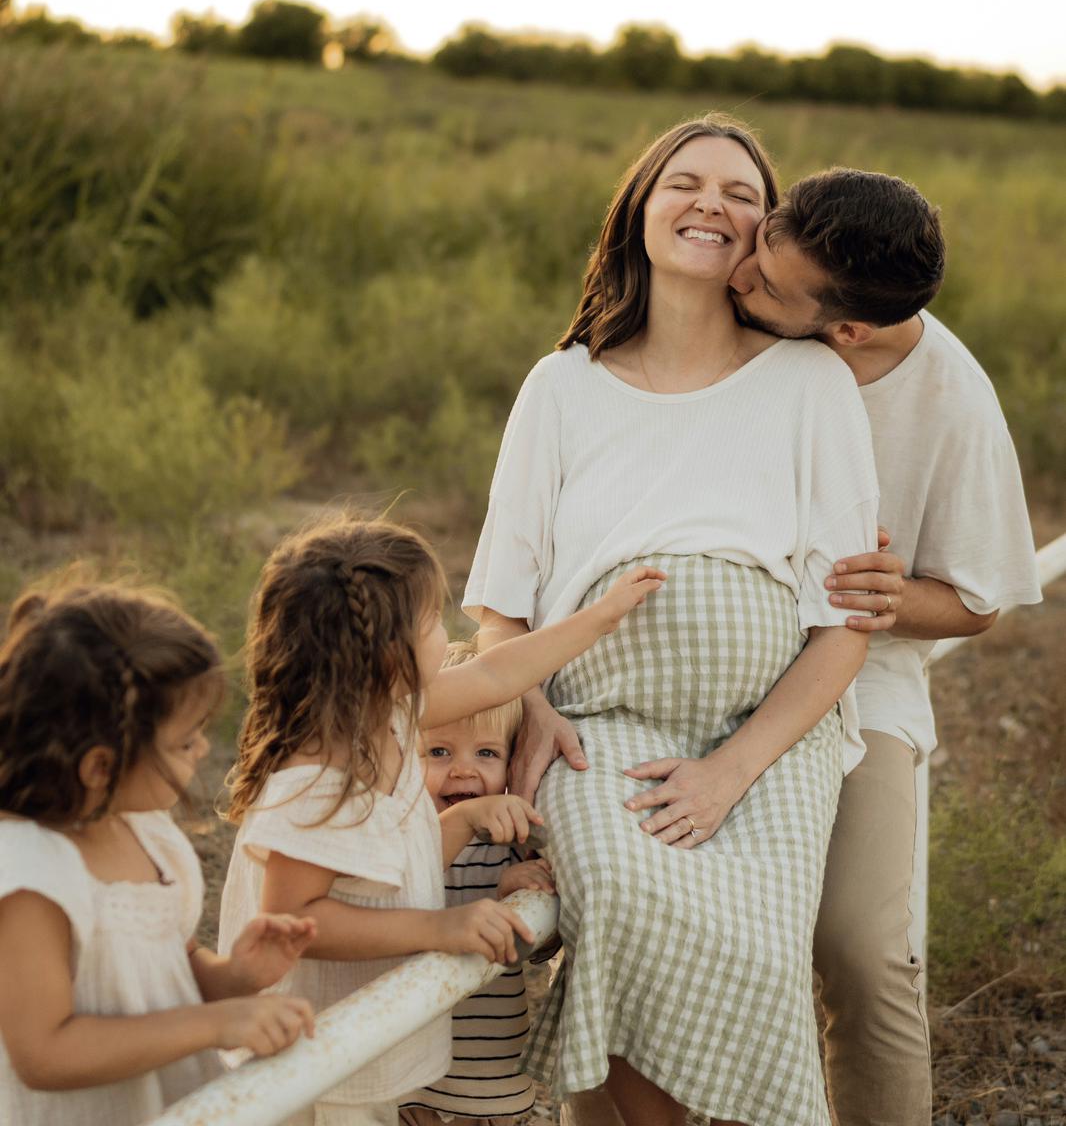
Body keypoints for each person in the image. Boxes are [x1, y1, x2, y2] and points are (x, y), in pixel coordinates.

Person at [464, 115, 878, 1126]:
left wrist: (732, 767)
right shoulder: (561, 386)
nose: (711, 203)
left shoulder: (810, 383)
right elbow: (499, 602)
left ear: (765, 239)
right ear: (638, 213)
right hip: (596, 724)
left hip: (769, 736)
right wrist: (529, 708)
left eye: (741, 193)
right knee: (617, 893)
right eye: (683, 182)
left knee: (759, 944)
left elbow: (845, 624)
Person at [727, 166, 1042, 1126]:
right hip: (695, 668)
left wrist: (893, 597)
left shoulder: (955, 404)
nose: (741, 279)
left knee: (864, 951)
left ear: (846, 331)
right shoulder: (728, 312)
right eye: (759, 249)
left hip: (865, 685)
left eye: (769, 287)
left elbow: (980, 598)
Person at [219, 512, 663, 1126]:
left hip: (366, 1037)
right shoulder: (317, 775)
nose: (444, 631)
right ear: (385, 653)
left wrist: (601, 618)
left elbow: (495, 673)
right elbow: (295, 919)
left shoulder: (392, 715)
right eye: (431, 620)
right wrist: (439, 928)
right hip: (315, 1061)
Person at [0, 577, 316, 1126]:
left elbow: (177, 966)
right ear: (100, 767)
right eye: (184, 740)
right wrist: (219, 1025)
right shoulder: (32, 876)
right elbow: (44, 1054)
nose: (201, 750)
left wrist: (235, 977)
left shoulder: (146, 831)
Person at [401, 640, 553, 1126]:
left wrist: (516, 896)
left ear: (511, 765)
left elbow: (533, 952)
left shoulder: (508, 846)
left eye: (486, 753)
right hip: (403, 1053)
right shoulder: (400, 839)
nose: (463, 769)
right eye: (439, 751)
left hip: (483, 1062)